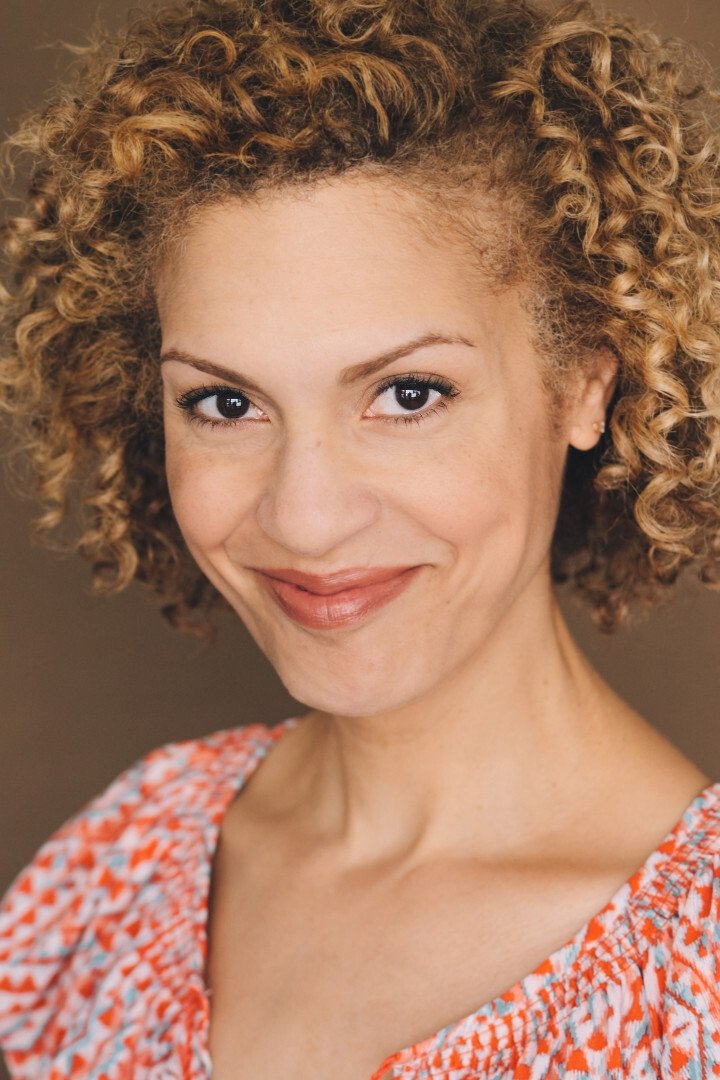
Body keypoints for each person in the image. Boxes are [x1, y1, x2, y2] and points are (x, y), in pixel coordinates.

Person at [0, 0, 719, 1076]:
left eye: (409, 393)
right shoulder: (122, 862)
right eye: (225, 404)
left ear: (583, 385)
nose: (305, 516)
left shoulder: (695, 976)